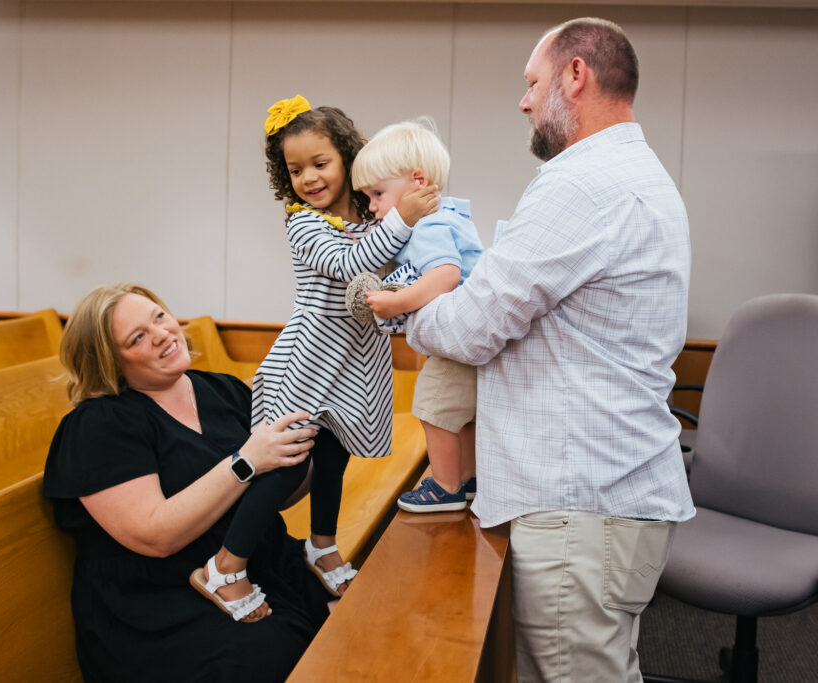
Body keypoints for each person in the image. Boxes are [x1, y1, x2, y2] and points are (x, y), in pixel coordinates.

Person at [404, 18, 695, 682]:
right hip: (606, 498)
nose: (524, 101)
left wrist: (408, 312)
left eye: (533, 83)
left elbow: (475, 326)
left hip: (581, 508)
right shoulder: (633, 173)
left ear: (575, 75)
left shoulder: (582, 183)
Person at [43, 283, 334, 682]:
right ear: (111, 364)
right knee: (272, 656)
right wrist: (245, 461)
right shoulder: (98, 425)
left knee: (358, 610)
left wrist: (317, 446)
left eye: (159, 317)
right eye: (138, 338)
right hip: (161, 605)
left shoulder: (223, 390)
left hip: (258, 566)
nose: (162, 333)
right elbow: (153, 535)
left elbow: (281, 497)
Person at [253, 95, 437, 596]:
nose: (308, 178)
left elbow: (391, 264)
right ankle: (228, 561)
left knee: (335, 455)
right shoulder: (303, 223)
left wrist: (406, 278)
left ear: (347, 159)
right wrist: (405, 219)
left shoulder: (368, 210)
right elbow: (351, 265)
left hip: (355, 358)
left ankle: (321, 543)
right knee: (288, 456)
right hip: (313, 357)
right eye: (295, 170)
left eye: (320, 163)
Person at [350, 119, 485, 513]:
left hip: (454, 345)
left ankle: (445, 486)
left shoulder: (429, 224)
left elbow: (445, 275)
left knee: (433, 406)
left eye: (377, 193)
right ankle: (469, 478)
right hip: (473, 342)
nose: (373, 207)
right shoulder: (452, 217)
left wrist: (398, 302)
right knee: (464, 414)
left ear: (418, 182)